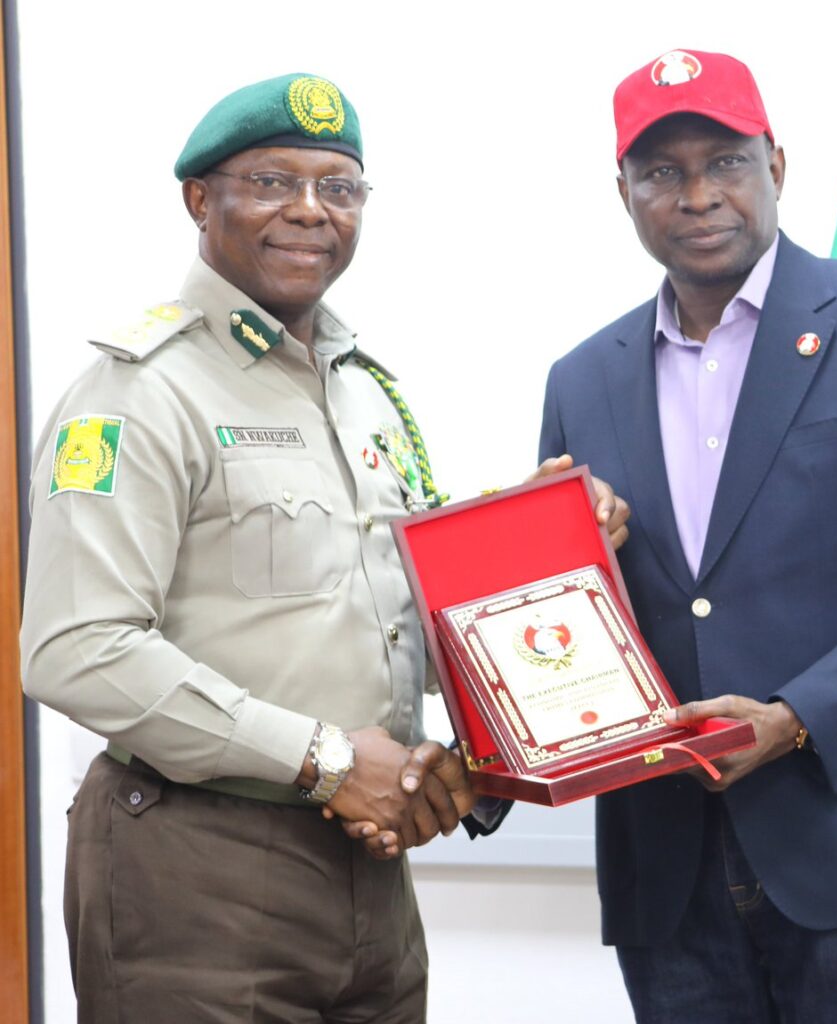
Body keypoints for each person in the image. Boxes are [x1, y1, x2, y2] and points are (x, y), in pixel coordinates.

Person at [20, 73, 626, 1023]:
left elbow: (383, 613)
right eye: (270, 181)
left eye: (339, 187)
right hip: (197, 868)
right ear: (200, 200)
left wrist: (536, 549)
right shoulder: (139, 392)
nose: (310, 211)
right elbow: (77, 647)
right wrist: (329, 762)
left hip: (369, 871)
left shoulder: (363, 392)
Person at [538, 49, 837, 1023]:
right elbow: (571, 618)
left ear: (777, 165)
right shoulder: (580, 378)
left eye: (724, 160)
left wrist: (797, 714)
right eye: (662, 172)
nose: (698, 194)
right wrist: (562, 550)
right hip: (666, 864)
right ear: (624, 193)